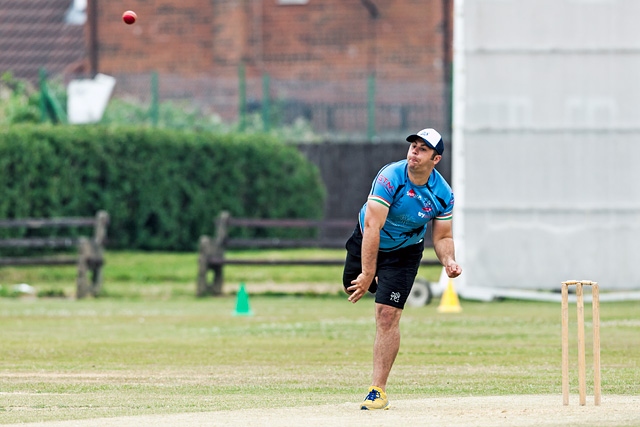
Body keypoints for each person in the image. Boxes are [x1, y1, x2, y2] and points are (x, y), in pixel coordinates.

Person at [342, 128, 462, 410]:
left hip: (405, 252)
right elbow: (373, 226)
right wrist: (368, 273)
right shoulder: (389, 177)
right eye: (413, 147)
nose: (414, 153)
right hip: (368, 237)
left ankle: (377, 390)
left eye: (422, 149)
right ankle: (376, 282)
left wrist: (448, 260)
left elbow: (443, 237)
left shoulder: (443, 195)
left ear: (436, 159)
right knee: (351, 283)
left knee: (386, 315)